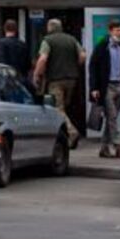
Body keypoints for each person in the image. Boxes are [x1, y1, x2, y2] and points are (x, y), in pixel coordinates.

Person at [34, 17, 85, 148]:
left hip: (56, 79)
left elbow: (43, 59)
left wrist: (37, 75)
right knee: (64, 107)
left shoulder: (48, 40)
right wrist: (75, 65)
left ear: (49, 28)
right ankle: (64, 135)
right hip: (72, 79)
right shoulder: (72, 39)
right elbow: (82, 56)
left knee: (58, 109)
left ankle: (71, 132)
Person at [88, 21, 120, 158]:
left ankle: (104, 147)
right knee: (113, 116)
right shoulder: (102, 47)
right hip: (107, 86)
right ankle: (118, 144)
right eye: (117, 31)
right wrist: (94, 87)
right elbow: (93, 68)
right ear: (110, 31)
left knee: (111, 118)